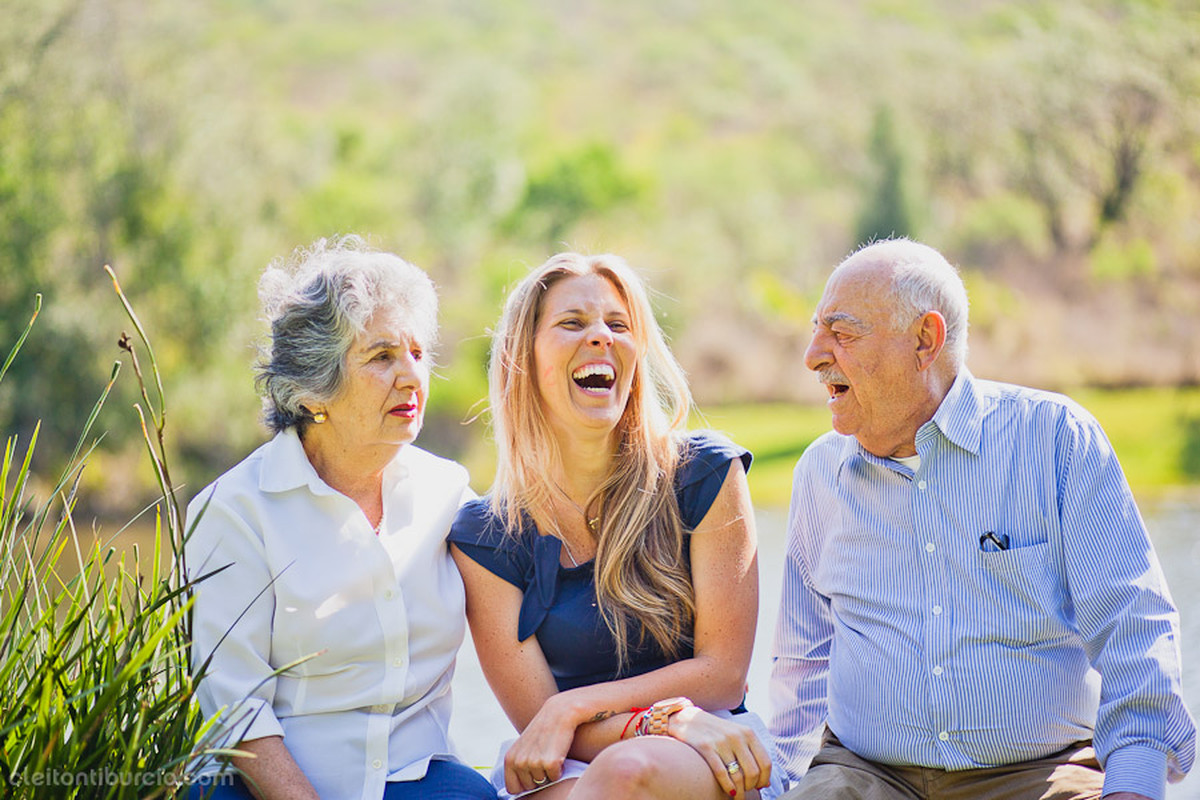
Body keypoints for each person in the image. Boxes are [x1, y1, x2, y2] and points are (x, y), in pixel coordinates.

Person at [768, 238, 1196, 800]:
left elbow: (1133, 627)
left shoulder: (1055, 440)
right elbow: (803, 662)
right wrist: (782, 785)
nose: (814, 355)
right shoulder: (820, 473)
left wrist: (1133, 789)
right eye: (817, 329)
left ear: (925, 340)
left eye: (841, 332)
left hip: (1040, 773)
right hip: (864, 775)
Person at [447, 252, 785, 800]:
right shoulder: (486, 535)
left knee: (626, 774)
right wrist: (647, 722)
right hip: (577, 760)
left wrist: (575, 704)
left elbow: (722, 674)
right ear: (522, 357)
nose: (601, 337)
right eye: (573, 323)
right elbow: (540, 731)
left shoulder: (703, 474)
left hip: (709, 742)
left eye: (619, 325)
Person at [185, 236, 497, 800]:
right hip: (268, 788)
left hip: (418, 779)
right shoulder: (234, 511)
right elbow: (234, 703)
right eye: (381, 357)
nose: (412, 377)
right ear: (313, 390)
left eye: (418, 354)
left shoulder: (449, 493)